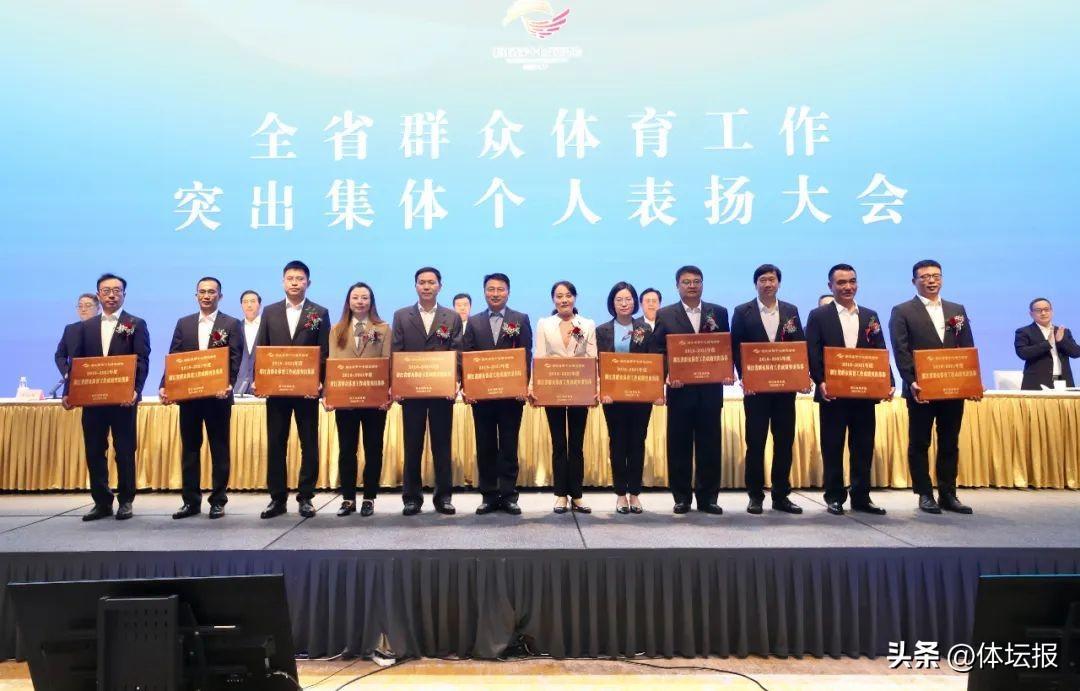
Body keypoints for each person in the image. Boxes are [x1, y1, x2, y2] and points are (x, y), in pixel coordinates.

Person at [889, 259, 978, 515]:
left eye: (936, 276)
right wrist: (911, 380)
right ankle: (925, 493)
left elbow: (966, 347)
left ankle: (948, 493)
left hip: (952, 389)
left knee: (950, 441)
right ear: (914, 281)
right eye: (925, 276)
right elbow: (901, 350)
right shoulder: (902, 311)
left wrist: (970, 380)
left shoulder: (956, 310)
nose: (931, 280)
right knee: (920, 442)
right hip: (921, 390)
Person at [806, 264, 893, 516]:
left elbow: (879, 350)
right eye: (841, 282)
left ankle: (861, 497)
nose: (848, 287)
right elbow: (812, 351)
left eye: (852, 281)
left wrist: (888, 381)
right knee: (833, 447)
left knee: (863, 447)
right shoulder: (819, 315)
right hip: (832, 394)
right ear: (830, 286)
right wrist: (820, 381)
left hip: (863, 395)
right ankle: (834, 496)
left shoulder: (870, 316)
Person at [62, 274, 150, 521]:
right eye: (106, 290)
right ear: (98, 294)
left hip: (123, 401)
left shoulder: (135, 323)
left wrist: (136, 390)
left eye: (116, 290)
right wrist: (69, 391)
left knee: (124, 451)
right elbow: (76, 363)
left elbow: (142, 360)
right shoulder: (85, 327)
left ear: (124, 294)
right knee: (94, 451)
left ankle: (126, 501)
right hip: (93, 402)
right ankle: (101, 502)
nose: (112, 295)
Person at [158, 277, 243, 520]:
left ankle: (218, 501)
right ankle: (191, 502)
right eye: (202, 292)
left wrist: (228, 384)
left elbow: (235, 358)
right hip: (190, 400)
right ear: (196, 295)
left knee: (219, 450)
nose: (206, 296)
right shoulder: (184, 323)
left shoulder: (231, 323)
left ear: (220, 296)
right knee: (190, 450)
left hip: (218, 399)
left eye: (211, 292)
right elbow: (174, 357)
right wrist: (165, 385)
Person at [253, 261, 330, 519]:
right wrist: (260, 380)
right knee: (276, 444)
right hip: (277, 392)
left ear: (308, 282)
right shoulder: (270, 312)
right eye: (290, 278)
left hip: (306, 391)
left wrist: (320, 382)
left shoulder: (319, 312)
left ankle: (306, 497)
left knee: (309, 444)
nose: (295, 282)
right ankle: (277, 499)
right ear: (283, 282)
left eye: (300, 278)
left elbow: (324, 352)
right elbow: (262, 349)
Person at [650, 265, 729, 515]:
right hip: (680, 391)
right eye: (686, 282)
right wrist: (667, 374)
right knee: (679, 445)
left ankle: (708, 499)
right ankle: (682, 497)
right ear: (677, 286)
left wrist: (727, 370)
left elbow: (724, 347)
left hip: (710, 391)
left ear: (702, 284)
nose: (692, 286)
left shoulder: (718, 312)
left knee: (710, 445)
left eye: (696, 281)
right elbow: (658, 351)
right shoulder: (665, 314)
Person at [730, 264, 806, 515]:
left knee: (784, 442)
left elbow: (799, 346)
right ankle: (755, 496)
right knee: (755, 443)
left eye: (772, 279)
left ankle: (781, 496)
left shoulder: (791, 310)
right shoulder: (742, 311)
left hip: (785, 391)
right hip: (756, 392)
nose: (767, 284)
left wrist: (801, 376)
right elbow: (736, 347)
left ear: (778, 283)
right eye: (763, 280)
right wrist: (745, 377)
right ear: (756, 284)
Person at [391, 267, 462, 516]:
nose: (427, 286)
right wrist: (397, 384)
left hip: (442, 393)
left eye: (431, 282)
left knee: (442, 446)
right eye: (422, 282)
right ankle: (411, 498)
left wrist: (455, 381)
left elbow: (457, 352)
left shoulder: (451, 317)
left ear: (440, 286)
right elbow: (396, 351)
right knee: (412, 446)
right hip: (412, 393)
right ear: (415, 286)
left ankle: (443, 498)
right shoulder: (402, 316)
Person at [462, 273, 532, 515]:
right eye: (490, 289)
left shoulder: (520, 319)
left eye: (500, 289)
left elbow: (526, 354)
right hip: (482, 398)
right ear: (484, 292)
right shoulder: (473, 322)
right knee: (486, 446)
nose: (495, 293)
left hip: (511, 398)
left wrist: (523, 385)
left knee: (509, 447)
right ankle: (489, 496)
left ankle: (509, 495)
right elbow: (467, 356)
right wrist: (468, 388)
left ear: (508, 292)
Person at [326, 282, 391, 517]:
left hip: (374, 401)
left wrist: (386, 393)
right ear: (348, 301)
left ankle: (369, 498)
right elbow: (332, 364)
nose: (360, 302)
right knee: (347, 450)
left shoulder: (383, 328)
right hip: (345, 401)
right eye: (355, 297)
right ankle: (348, 498)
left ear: (371, 302)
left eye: (365, 298)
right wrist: (330, 394)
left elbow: (387, 363)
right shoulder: (336, 330)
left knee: (373, 449)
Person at [533, 280, 597, 514]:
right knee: (559, 443)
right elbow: (539, 356)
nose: (564, 300)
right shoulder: (545, 324)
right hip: (553, 389)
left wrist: (595, 388)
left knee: (576, 445)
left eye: (568, 295)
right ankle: (560, 495)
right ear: (553, 300)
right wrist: (534, 387)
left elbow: (592, 358)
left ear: (575, 298)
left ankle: (577, 495)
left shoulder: (587, 324)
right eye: (559, 296)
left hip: (580, 389)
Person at [596, 281, 659, 514]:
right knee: (618, 444)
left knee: (637, 444)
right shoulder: (602, 330)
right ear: (612, 303)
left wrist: (655, 392)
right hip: (613, 399)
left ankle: (635, 494)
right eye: (619, 299)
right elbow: (598, 364)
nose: (624, 303)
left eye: (628, 299)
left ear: (635, 303)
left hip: (640, 399)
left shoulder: (646, 329)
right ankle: (621, 494)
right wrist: (602, 389)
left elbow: (653, 363)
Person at [1015, 298, 1080, 390]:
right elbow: (1023, 353)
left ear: (1051, 311)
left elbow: (1076, 353)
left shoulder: (1063, 331)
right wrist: (1047, 343)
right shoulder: (1024, 332)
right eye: (1038, 310)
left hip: (1062, 380)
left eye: (1046, 309)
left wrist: (1061, 341)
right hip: (1037, 383)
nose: (1043, 313)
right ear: (1031, 314)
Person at [54, 293, 100, 383]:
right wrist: (67, 372)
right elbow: (60, 355)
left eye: (88, 306)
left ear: (98, 308)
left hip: (99, 380)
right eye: (80, 306)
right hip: (75, 382)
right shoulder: (70, 329)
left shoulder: (105, 328)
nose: (83, 309)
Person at [235, 290, 262, 395]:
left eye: (252, 301)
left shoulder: (268, 326)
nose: (249, 305)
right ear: (241, 305)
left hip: (262, 386)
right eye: (245, 302)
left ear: (259, 304)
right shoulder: (235, 328)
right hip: (238, 386)